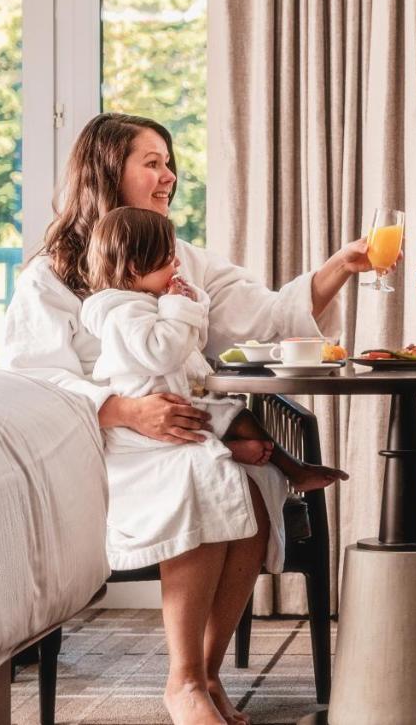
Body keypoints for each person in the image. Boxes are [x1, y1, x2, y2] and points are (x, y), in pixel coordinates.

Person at [2, 113, 377, 725]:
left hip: (181, 430)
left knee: (254, 487)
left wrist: (339, 266)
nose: (169, 176)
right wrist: (124, 410)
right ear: (107, 172)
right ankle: (182, 682)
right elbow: (32, 375)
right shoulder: (50, 274)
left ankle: (205, 672)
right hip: (106, 446)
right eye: (152, 163)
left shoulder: (183, 259)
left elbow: (266, 317)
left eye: (169, 163)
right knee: (201, 478)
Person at [79, 206, 348, 572]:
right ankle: (240, 454)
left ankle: (292, 468)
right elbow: (162, 351)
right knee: (228, 425)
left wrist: (191, 300)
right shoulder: (123, 312)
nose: (177, 263)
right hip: (155, 416)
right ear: (134, 268)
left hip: (188, 399)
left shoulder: (150, 302)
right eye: (167, 259)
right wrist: (177, 306)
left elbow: (195, 337)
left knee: (242, 416)